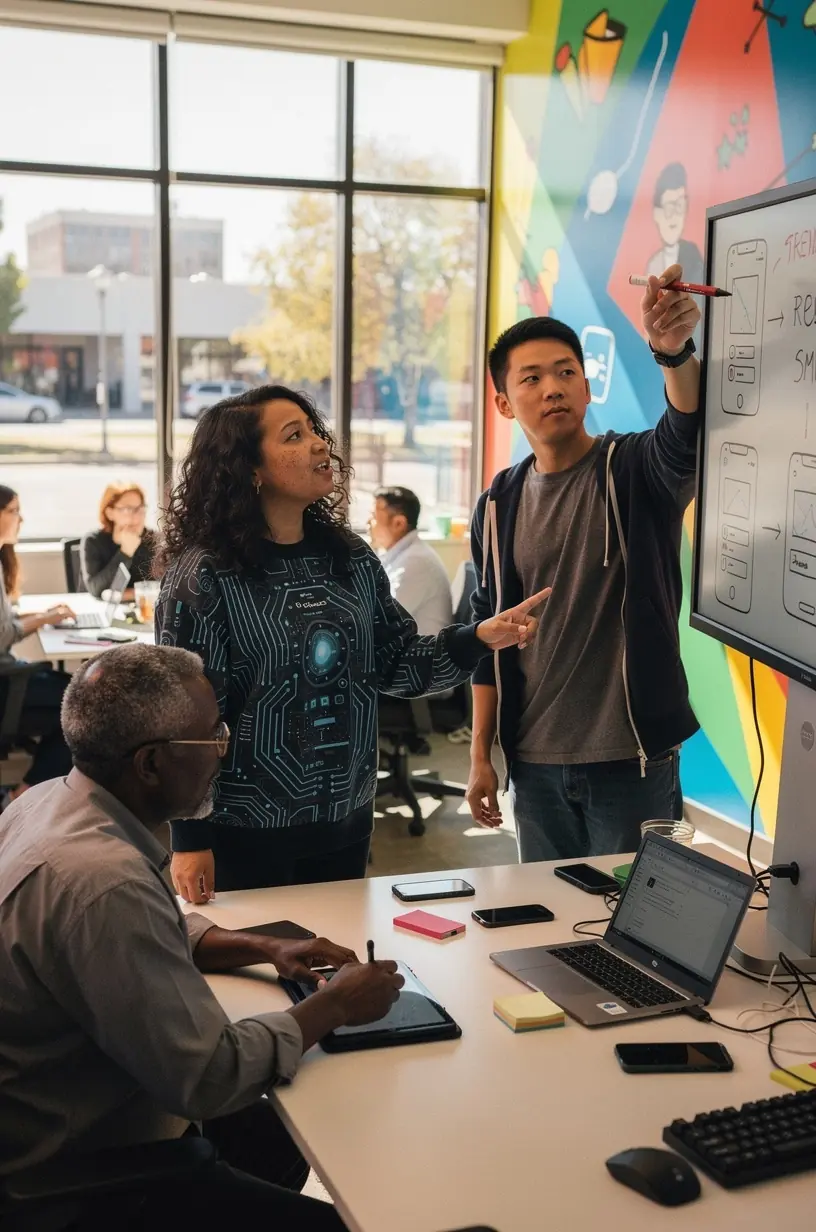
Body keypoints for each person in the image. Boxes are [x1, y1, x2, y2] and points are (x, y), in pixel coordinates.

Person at [0, 642, 405, 1229]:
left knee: (290, 1131)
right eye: (212, 736)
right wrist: (336, 1004)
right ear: (150, 764)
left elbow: (126, 930)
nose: (224, 750)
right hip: (71, 1167)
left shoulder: (45, 803)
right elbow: (209, 1078)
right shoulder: (101, 881)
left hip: (74, 1105)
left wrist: (262, 946)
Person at [156, 385, 548, 902]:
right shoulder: (205, 573)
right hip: (241, 833)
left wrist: (477, 638)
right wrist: (189, 838)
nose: (321, 444)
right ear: (248, 469)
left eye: (315, 430)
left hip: (345, 822)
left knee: (332, 971)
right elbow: (186, 716)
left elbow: (399, 665)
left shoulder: (351, 557)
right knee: (256, 979)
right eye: (295, 436)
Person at [467, 264, 702, 861]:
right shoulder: (497, 504)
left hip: (630, 760)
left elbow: (683, 432)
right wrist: (480, 758)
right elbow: (484, 645)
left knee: (636, 932)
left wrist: (672, 355)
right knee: (550, 931)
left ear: (587, 387)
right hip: (535, 765)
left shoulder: (632, 470)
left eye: (566, 372)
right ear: (503, 402)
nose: (553, 387)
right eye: (533, 378)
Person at [0, 485, 74, 798]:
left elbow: (6, 623)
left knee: (78, 691)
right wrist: (44, 619)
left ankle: (28, 789)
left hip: (9, 676)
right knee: (83, 707)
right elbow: (3, 634)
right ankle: (26, 793)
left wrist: (43, 614)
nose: (21, 519)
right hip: (6, 684)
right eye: (14, 511)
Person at [368, 486, 454, 636]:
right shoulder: (403, 555)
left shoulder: (416, 562)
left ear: (399, 524)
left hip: (423, 656)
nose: (368, 523)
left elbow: (384, 620)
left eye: (374, 516)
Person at [81, 481, 157, 599]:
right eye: (127, 509)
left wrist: (126, 595)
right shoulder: (93, 541)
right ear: (110, 513)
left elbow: (161, 587)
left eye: (139, 509)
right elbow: (96, 589)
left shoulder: (154, 540)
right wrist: (125, 552)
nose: (136, 516)